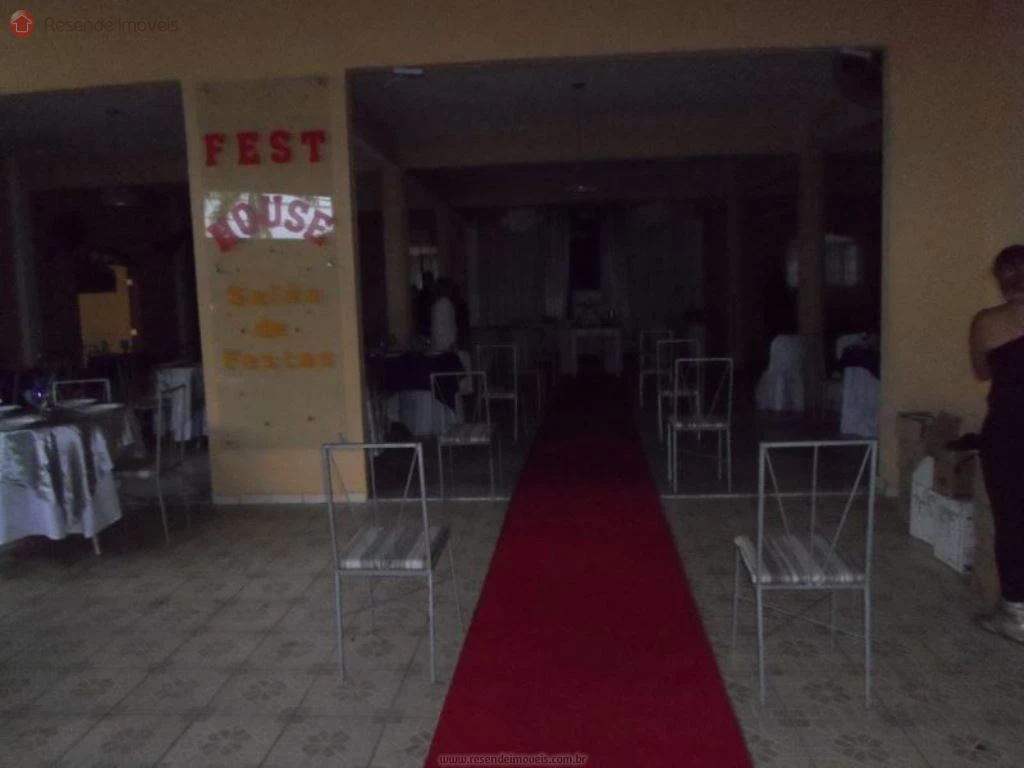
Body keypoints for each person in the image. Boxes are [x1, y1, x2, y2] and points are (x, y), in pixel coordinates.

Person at [970, 244, 1024, 644]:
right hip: (1007, 431)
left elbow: (981, 371)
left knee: (1011, 519)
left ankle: (1016, 613)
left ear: (1002, 279)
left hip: (1007, 430)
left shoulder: (988, 321)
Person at [429, 278, 457, 355]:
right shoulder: (445, 303)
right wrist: (452, 342)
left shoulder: (436, 304)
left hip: (438, 343)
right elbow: (449, 325)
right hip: (446, 345)